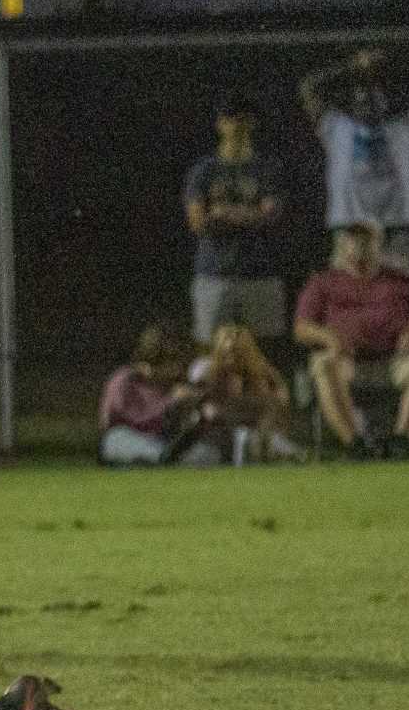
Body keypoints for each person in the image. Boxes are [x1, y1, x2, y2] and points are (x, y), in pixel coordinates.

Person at [293, 220, 409, 456]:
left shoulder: (402, 282)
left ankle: (402, 441)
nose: (360, 245)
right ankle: (354, 444)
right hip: (348, 361)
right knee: (323, 363)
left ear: (379, 246)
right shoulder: (323, 283)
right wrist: (328, 338)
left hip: (395, 360)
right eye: (354, 239)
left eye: (367, 240)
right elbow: (302, 327)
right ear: (343, 245)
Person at [300, 48, 409, 268]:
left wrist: (388, 67)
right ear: (351, 103)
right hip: (350, 230)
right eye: (362, 98)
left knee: (397, 296)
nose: (369, 104)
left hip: (395, 229)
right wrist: (353, 67)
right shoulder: (337, 127)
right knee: (349, 298)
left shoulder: (406, 127)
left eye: (375, 98)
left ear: (386, 101)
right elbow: (309, 87)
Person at [183, 95, 288, 343]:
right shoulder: (204, 171)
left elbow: (271, 216)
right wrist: (249, 215)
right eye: (230, 118)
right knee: (210, 349)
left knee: (264, 349)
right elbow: (198, 222)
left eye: (243, 119)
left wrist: (224, 214)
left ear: (253, 124)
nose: (237, 124)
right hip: (213, 274)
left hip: (260, 273)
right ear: (220, 124)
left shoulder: (267, 168)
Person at [97, 325, 213, 467]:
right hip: (126, 437)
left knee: (204, 452)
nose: (177, 371)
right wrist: (172, 401)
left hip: (164, 440)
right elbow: (134, 419)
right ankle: (164, 457)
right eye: (171, 363)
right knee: (118, 437)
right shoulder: (125, 379)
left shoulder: (173, 384)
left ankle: (169, 458)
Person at [191, 324, 301, 463]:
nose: (232, 359)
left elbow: (281, 403)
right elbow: (206, 410)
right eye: (227, 354)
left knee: (264, 428)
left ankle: (275, 449)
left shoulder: (265, 375)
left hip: (259, 433)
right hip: (219, 439)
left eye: (237, 353)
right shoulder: (208, 375)